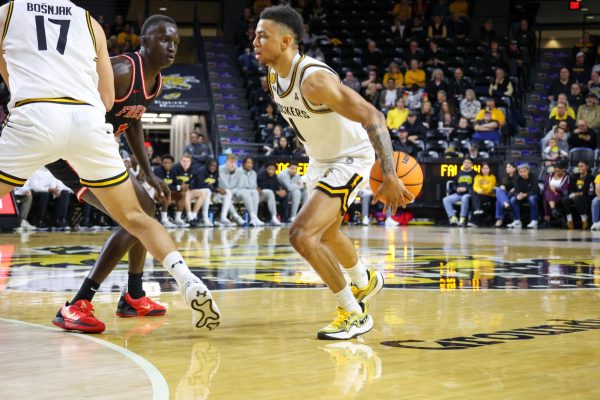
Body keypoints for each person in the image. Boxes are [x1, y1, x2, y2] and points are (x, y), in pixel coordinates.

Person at [0, 6, 219, 332]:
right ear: (145, 40)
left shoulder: (154, 82)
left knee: (145, 208)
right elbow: (100, 103)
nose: (172, 47)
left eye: (175, 42)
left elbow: (132, 120)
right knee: (136, 215)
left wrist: (146, 172)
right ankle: (81, 301)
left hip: (60, 129)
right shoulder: (117, 63)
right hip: (74, 145)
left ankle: (133, 295)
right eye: (164, 40)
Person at [254, 5, 411, 340]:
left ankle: (353, 314)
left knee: (301, 235)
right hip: (321, 160)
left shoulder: (314, 80)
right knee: (326, 235)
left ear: (286, 41)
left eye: (262, 35)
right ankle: (364, 280)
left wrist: (390, 173)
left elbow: (373, 116)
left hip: (350, 158)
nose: (255, 41)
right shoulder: (272, 75)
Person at [442, 158, 476, 227]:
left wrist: (466, 189)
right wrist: (457, 188)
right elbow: (454, 184)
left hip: (469, 194)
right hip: (458, 194)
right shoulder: (459, 173)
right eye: (465, 162)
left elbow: (475, 186)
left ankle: (462, 218)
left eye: (468, 163)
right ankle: (453, 218)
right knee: (446, 199)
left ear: (472, 164)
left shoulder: (474, 174)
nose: (466, 164)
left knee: (464, 198)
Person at [561, 161, 593, 230]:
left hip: (586, 196)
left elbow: (589, 191)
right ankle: (569, 220)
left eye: (582, 166)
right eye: (579, 166)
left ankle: (584, 219)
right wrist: (573, 194)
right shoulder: (574, 176)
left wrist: (578, 194)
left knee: (577, 199)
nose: (580, 168)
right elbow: (571, 188)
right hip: (574, 195)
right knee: (565, 199)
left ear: (586, 167)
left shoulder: (590, 177)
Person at [507, 164, 539, 229]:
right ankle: (517, 221)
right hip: (522, 196)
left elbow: (535, 190)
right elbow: (516, 190)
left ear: (528, 171)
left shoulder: (533, 177)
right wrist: (517, 195)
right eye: (521, 172)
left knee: (532, 199)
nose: (523, 174)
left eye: (524, 171)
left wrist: (525, 194)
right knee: (513, 199)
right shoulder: (517, 179)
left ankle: (534, 220)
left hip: (532, 195)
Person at [541, 162, 569, 228]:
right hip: (551, 195)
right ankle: (553, 209)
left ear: (562, 170)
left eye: (558, 171)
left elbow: (565, 189)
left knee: (546, 197)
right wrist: (551, 188)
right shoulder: (549, 176)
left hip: (559, 195)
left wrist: (556, 189)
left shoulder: (566, 177)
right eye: (555, 171)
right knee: (547, 193)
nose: (556, 172)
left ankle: (547, 219)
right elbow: (545, 187)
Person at [494, 162, 516, 227]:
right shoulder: (504, 177)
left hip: (514, 195)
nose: (507, 168)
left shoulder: (517, 177)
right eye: (506, 167)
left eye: (509, 167)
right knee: (498, 189)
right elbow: (498, 186)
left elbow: (520, 186)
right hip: (505, 195)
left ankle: (500, 219)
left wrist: (515, 188)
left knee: (498, 201)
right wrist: (501, 186)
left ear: (514, 168)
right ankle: (505, 203)